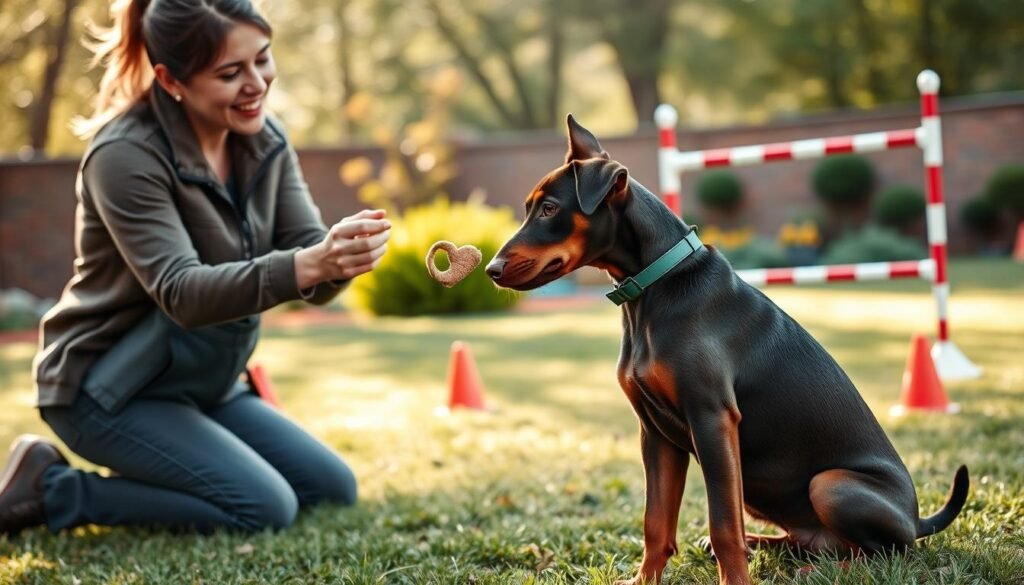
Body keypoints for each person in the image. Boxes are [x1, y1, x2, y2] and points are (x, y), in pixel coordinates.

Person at [0, 0, 390, 535]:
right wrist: (309, 262)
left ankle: (169, 461)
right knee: (265, 508)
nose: (256, 83)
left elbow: (309, 263)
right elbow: (181, 292)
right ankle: (54, 489)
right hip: (107, 388)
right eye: (230, 73)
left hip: (204, 383)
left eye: (263, 59)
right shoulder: (124, 157)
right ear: (171, 79)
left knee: (330, 489)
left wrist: (339, 258)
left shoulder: (265, 138)